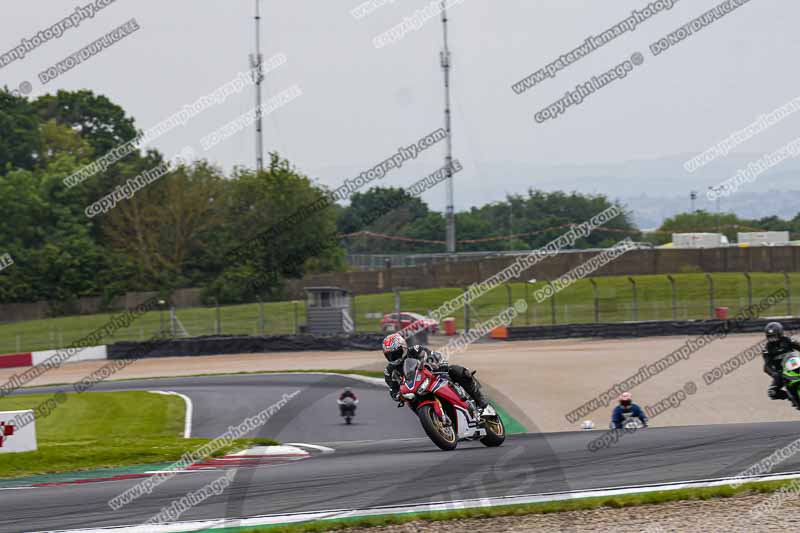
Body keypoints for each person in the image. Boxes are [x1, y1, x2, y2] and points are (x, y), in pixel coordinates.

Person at [382, 333, 488, 409]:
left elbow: (432, 355)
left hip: (431, 378)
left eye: (396, 353)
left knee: (456, 370)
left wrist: (440, 364)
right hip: (414, 392)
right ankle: (435, 423)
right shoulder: (389, 371)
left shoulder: (415, 350)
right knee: (411, 403)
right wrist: (397, 396)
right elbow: (393, 389)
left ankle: (479, 399)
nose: (393, 357)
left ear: (403, 347)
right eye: (390, 355)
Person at [763, 322, 800, 402]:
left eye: (774, 336)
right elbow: (767, 366)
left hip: (794, 364)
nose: (773, 339)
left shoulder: (788, 340)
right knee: (772, 393)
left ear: (780, 334)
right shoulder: (767, 348)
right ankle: (790, 397)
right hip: (782, 372)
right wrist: (774, 373)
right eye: (770, 337)